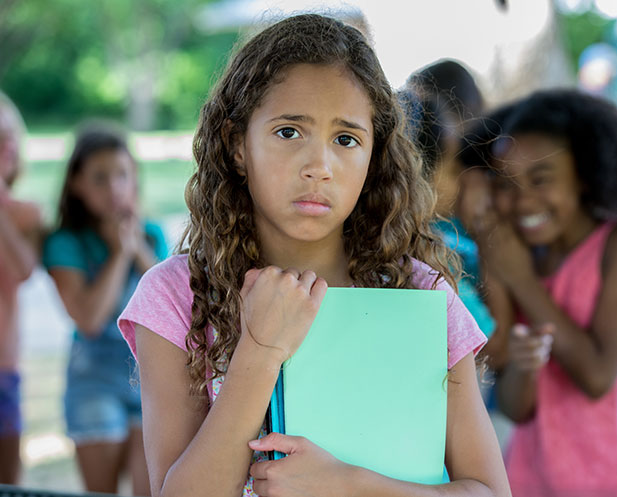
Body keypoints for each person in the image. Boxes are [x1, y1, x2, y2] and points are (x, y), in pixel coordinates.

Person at [117, 14, 511, 497]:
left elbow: (489, 492)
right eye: (289, 132)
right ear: (235, 143)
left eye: (346, 139)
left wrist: (348, 484)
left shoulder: (420, 295)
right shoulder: (179, 295)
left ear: (375, 156)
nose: (318, 167)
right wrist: (260, 351)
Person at [477, 89, 617, 497]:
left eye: (541, 179)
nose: (522, 200)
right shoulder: (520, 255)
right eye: (507, 184)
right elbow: (516, 407)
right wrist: (526, 364)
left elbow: (597, 376)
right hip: (531, 480)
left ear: (584, 176)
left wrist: (521, 281)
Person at [43, 124, 167, 495]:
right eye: (99, 178)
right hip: (93, 378)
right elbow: (89, 319)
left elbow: (170, 304)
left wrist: (137, 247)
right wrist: (118, 253)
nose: (114, 188)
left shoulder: (152, 234)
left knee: (153, 487)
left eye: (122, 176)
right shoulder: (64, 243)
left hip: (150, 374)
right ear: (77, 184)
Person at [405, 59, 496, 338]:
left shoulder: (451, 233)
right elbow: (491, 340)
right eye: (456, 169)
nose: (467, 179)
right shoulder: (431, 250)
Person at [0, 91, 42, 484]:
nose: (6, 147)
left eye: (10, 137)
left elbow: (23, 269)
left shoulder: (25, 213)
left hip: (3, 370)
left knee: (8, 481)